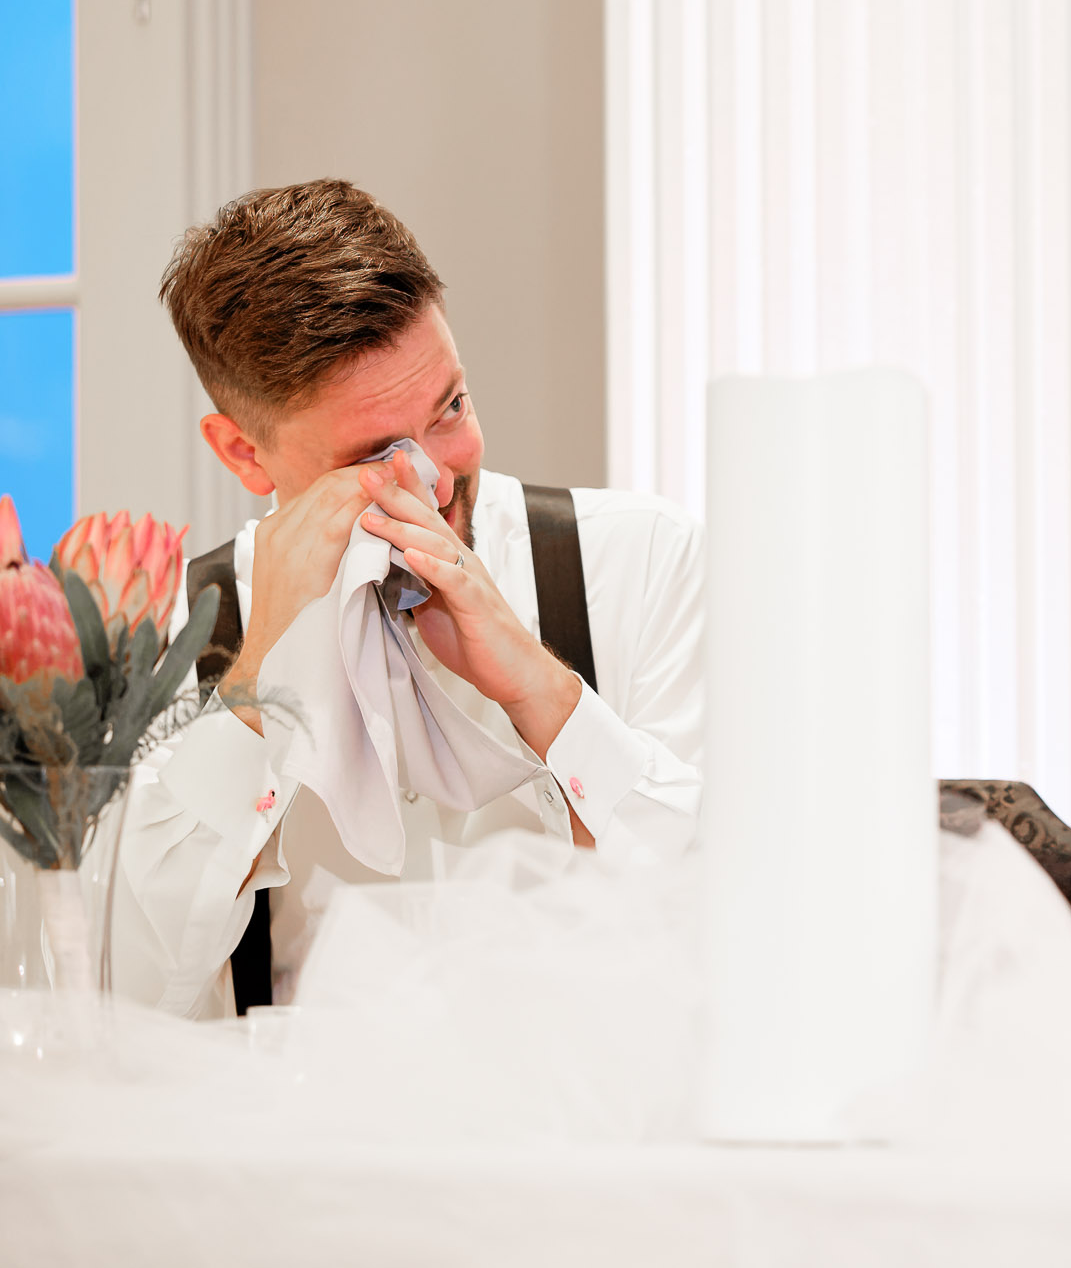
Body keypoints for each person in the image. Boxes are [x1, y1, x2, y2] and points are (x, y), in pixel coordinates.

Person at [115, 179, 705, 1019]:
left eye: (451, 406)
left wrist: (543, 692)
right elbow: (135, 997)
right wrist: (250, 695)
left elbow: (722, 927)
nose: (438, 474)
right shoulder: (174, 624)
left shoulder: (643, 561)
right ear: (244, 452)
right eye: (377, 454)